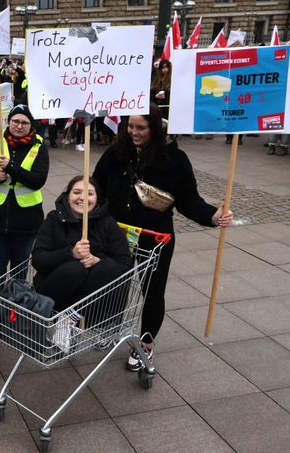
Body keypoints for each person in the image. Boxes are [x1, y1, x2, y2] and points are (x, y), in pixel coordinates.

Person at [92, 106, 233, 371]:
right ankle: (108, 329)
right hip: (117, 234)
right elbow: (97, 187)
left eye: (141, 128)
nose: (134, 132)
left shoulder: (175, 159)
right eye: (130, 126)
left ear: (154, 127)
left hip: (155, 237)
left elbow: (189, 201)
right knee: (112, 285)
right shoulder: (115, 153)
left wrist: (213, 216)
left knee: (152, 291)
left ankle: (145, 344)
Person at [31, 176, 132, 312]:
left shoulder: (108, 223)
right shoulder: (54, 219)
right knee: (74, 269)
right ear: (67, 196)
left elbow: (125, 266)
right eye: (76, 192)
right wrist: (70, 254)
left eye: (90, 194)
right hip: (55, 295)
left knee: (107, 267)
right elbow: (38, 259)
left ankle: (74, 320)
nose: (82, 198)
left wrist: (97, 261)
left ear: (97, 199)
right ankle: (64, 320)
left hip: (95, 304)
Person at [0, 105, 49, 284]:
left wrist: (11, 167)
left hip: (26, 219)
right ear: (8, 122)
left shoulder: (38, 144)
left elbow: (38, 180)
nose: (19, 126)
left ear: (31, 125)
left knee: (20, 269)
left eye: (24, 122)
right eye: (15, 121)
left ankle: (14, 308)